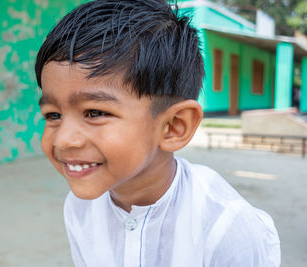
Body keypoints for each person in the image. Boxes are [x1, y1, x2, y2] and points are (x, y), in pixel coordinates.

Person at [34, 0, 280, 266]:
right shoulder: (79, 209)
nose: (63, 140)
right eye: (53, 115)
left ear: (174, 126)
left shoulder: (226, 227)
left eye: (95, 113)